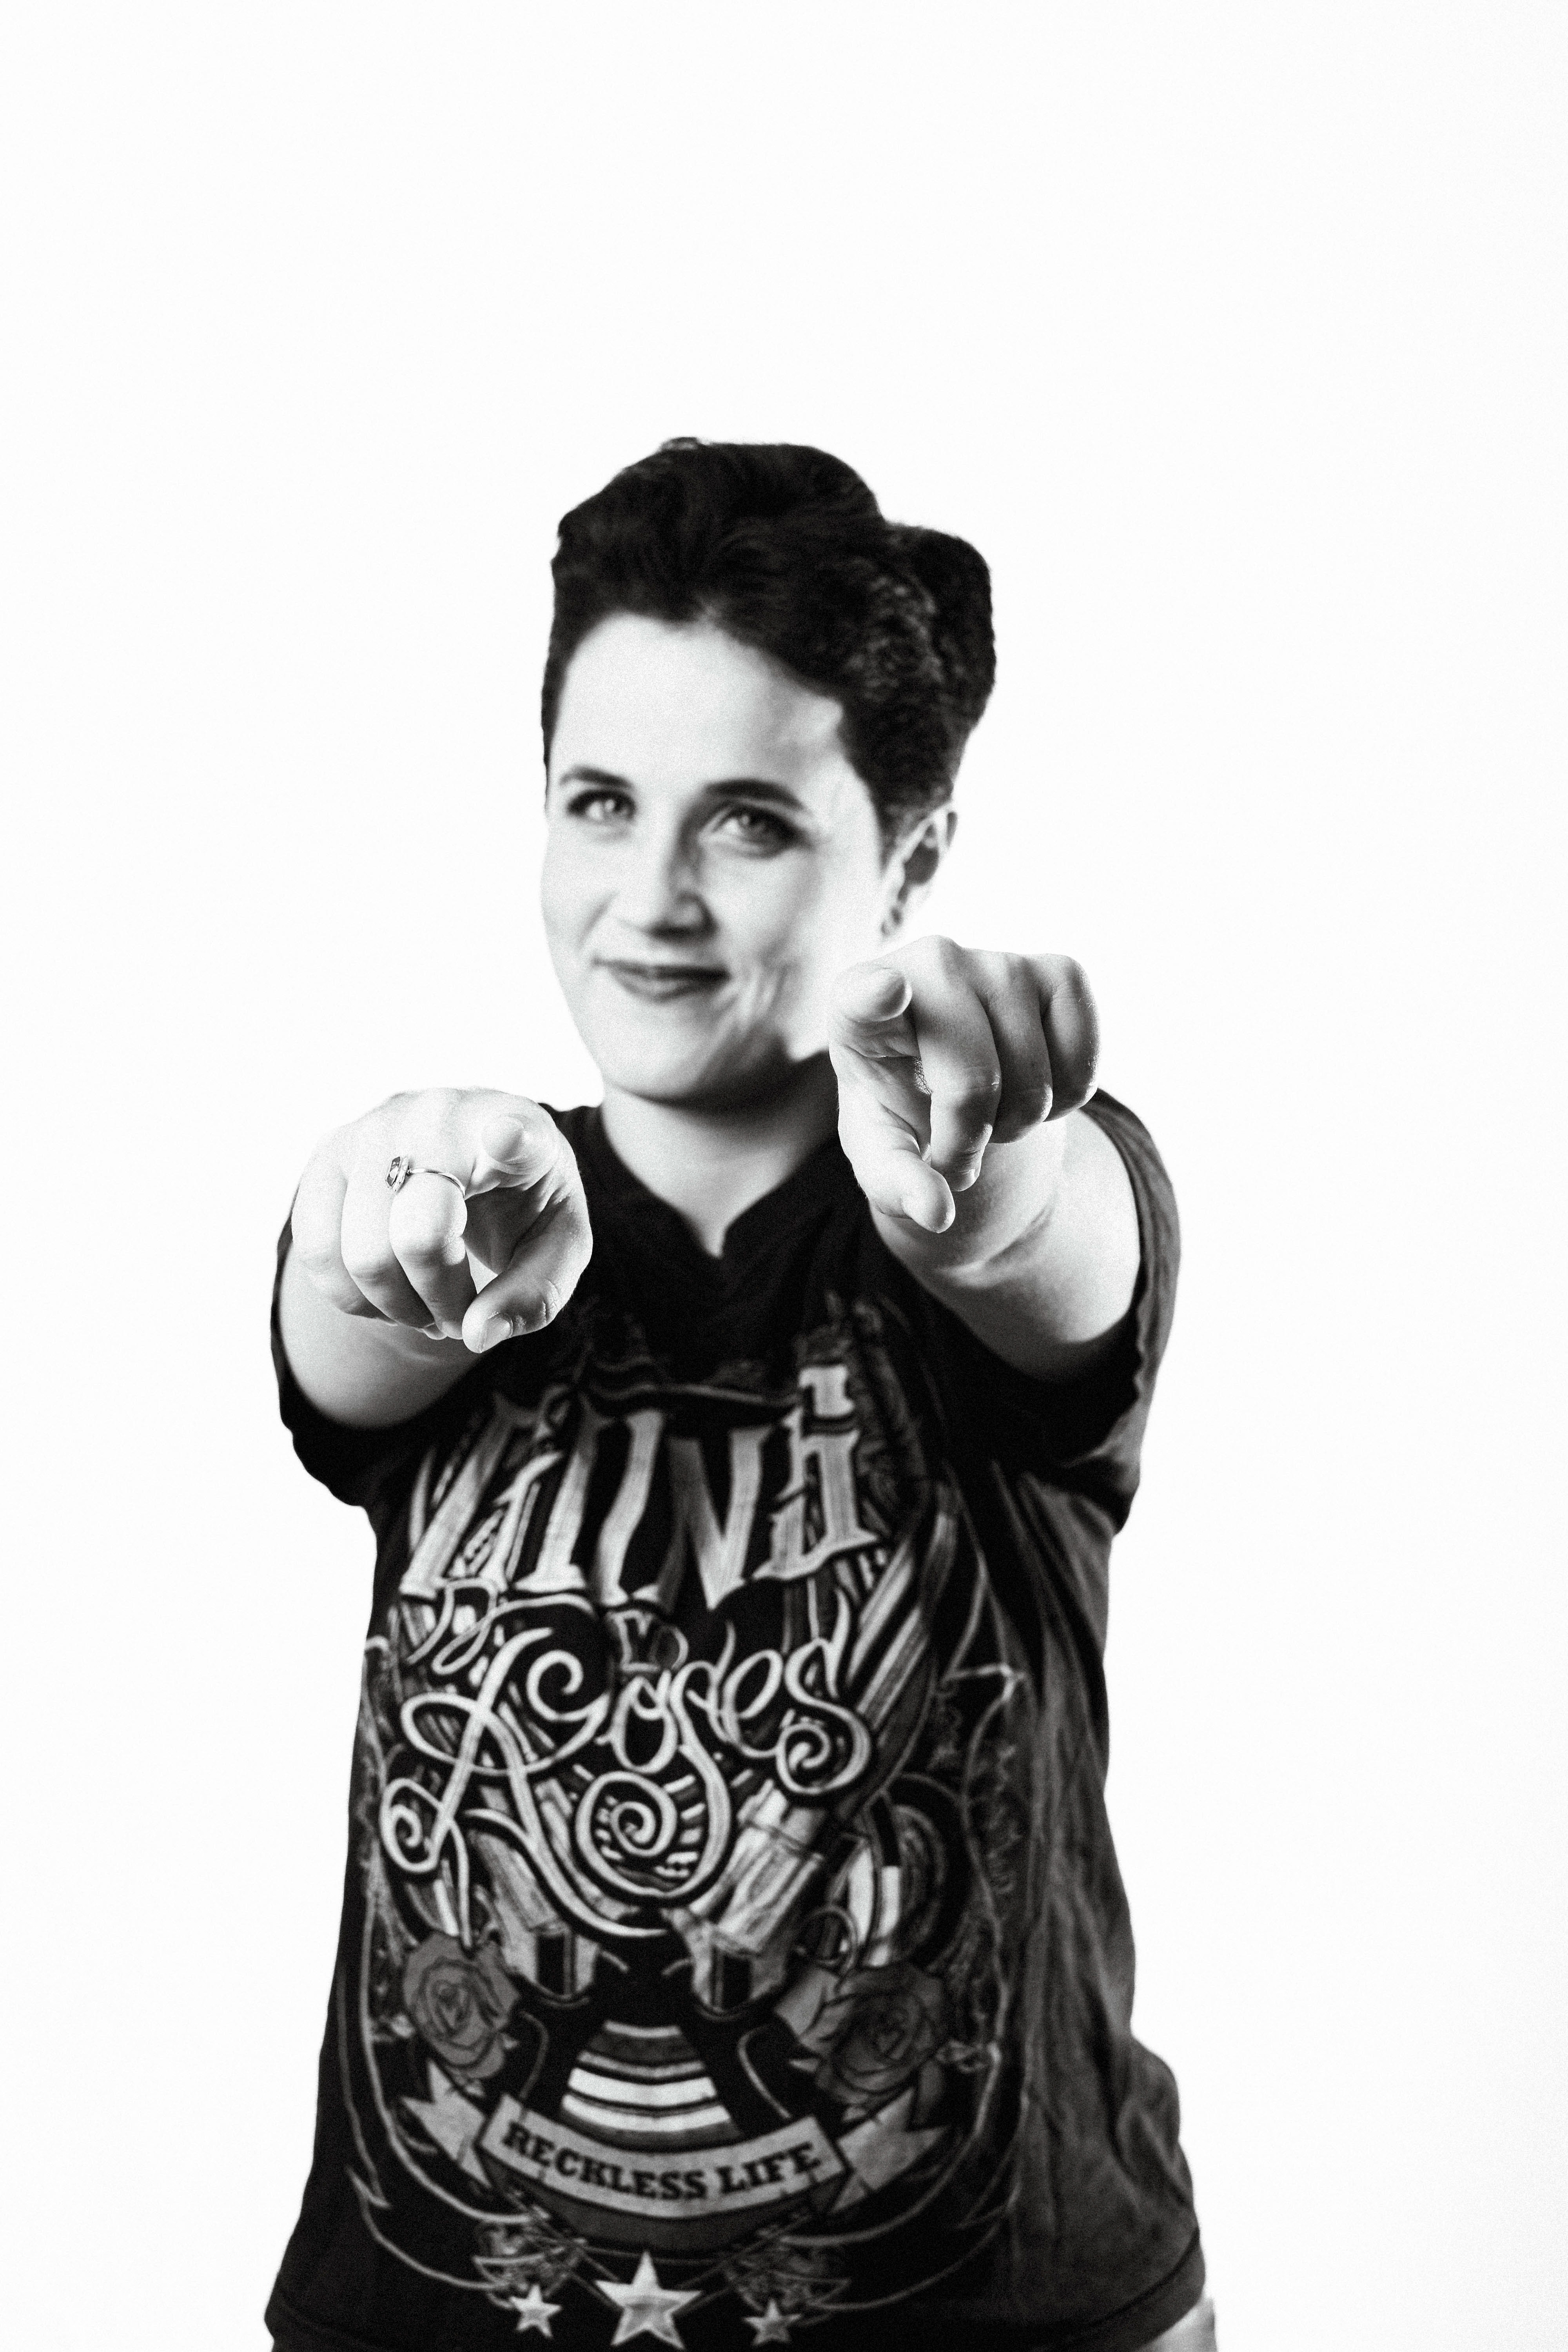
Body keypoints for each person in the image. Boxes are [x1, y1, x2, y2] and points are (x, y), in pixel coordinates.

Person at [268, 441, 1215, 2352]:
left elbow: (1037, 1239)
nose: (652, 897)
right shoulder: (456, 1206)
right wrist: (395, 1203)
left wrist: (973, 1163)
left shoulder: (1043, 1176)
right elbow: (347, 1308)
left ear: (912, 858)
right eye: (601, 803)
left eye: (753, 824)